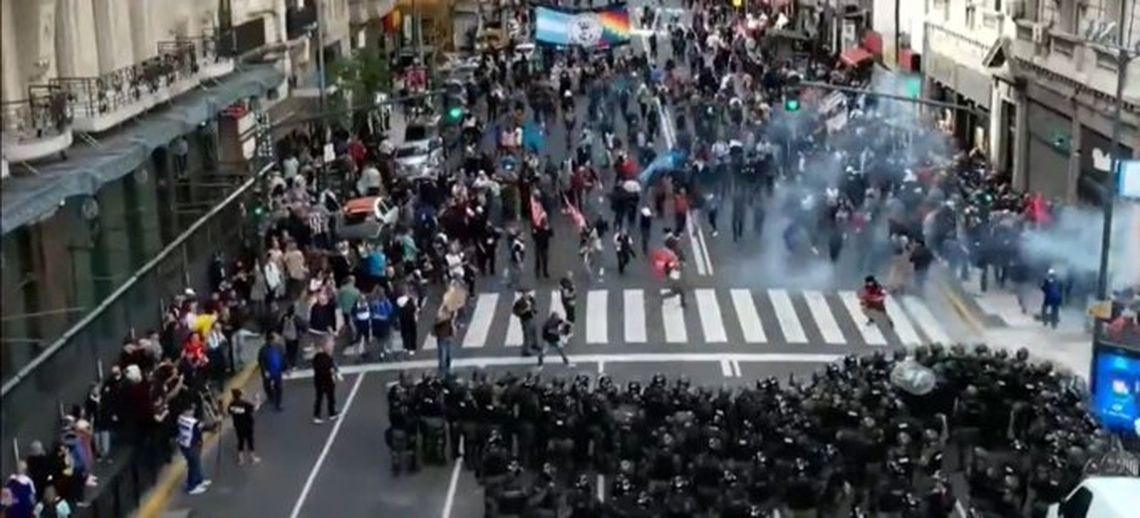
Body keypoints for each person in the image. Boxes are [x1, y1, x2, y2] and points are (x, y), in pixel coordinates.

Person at [175, 406, 211, 494]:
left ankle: (199, 480)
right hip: (191, 446)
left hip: (184, 444)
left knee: (196, 463)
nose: (193, 412)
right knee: (193, 465)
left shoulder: (180, 418)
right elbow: (205, 427)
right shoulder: (192, 422)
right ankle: (191, 487)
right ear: (185, 411)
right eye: (191, 410)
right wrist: (217, 421)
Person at [227, 388, 261, 465]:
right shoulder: (244, 403)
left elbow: (229, 412)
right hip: (247, 425)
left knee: (240, 441)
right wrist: (257, 400)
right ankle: (252, 458)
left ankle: (241, 459)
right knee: (250, 440)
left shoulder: (231, 404)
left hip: (238, 425)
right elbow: (255, 408)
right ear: (240, 395)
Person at [311, 338, 339, 424]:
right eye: (330, 345)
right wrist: (330, 371)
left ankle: (332, 412)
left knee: (331, 397)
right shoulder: (319, 357)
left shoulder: (328, 356)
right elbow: (321, 369)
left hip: (328, 380)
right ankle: (317, 415)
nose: (332, 346)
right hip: (321, 381)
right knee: (320, 398)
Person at [257, 333, 286, 411]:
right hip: (268, 371)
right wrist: (265, 371)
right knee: (267, 386)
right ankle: (271, 397)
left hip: (277, 371)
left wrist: (285, 368)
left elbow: (283, 357)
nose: (276, 340)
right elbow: (261, 362)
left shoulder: (279, 347)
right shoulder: (263, 350)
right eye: (275, 339)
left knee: (279, 388)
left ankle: (278, 404)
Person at [433, 308, 457, 376]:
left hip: (447, 337)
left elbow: (452, 326)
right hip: (442, 337)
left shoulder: (449, 316)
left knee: (448, 354)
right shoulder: (441, 316)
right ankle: (442, 371)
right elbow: (436, 324)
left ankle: (447, 369)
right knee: (443, 354)